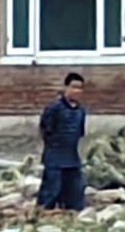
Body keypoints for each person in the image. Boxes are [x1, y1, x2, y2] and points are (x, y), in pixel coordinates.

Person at [35, 71, 88, 215]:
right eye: (73, 87)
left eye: (80, 88)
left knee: (75, 191)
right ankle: (43, 214)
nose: (77, 91)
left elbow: (80, 132)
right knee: (51, 189)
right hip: (55, 156)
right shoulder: (54, 108)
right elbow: (45, 129)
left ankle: (70, 214)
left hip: (72, 156)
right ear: (66, 88)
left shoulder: (81, 111)